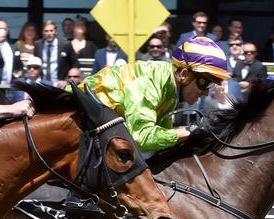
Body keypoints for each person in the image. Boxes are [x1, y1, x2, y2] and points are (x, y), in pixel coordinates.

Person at [77, 37, 230, 153]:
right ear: (184, 75)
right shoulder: (150, 83)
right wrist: (191, 131)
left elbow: (162, 142)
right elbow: (141, 138)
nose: (205, 92)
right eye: (204, 82)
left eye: (211, 85)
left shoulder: (171, 89)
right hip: (77, 120)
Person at [34, 20, 79, 87]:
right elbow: (35, 63)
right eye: (46, 31)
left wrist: (66, 80)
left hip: (60, 84)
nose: (49, 33)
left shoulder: (65, 44)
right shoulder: (38, 45)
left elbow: (75, 64)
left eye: (51, 30)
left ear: (56, 31)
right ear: (43, 32)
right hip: (42, 83)